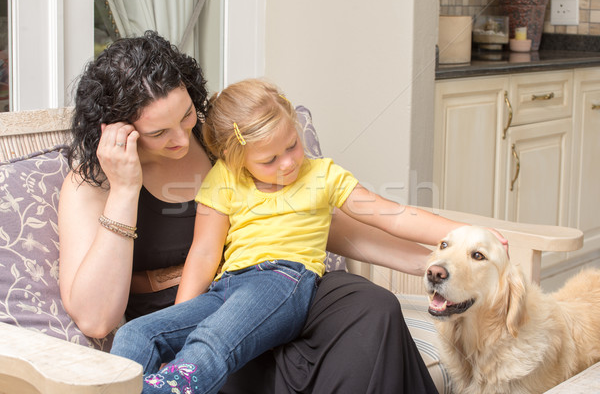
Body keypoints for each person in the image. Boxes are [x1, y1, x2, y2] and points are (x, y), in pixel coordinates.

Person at [58, 30, 501, 394]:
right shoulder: (91, 183)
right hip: (207, 299)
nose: (181, 138)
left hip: (280, 281)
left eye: (188, 115)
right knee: (212, 342)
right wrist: (125, 188)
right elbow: (97, 318)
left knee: (372, 304)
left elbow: (337, 220)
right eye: (159, 132)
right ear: (119, 130)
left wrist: (434, 261)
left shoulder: (223, 144)